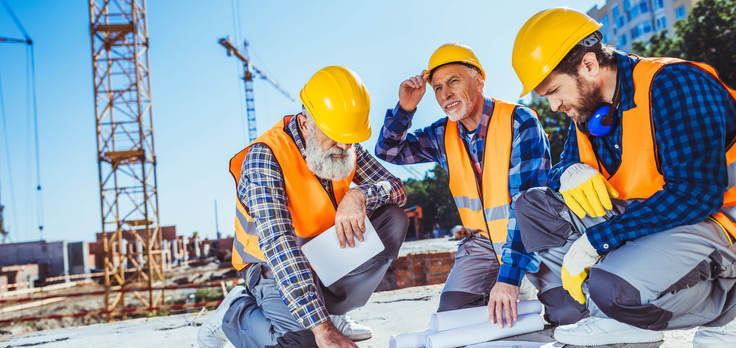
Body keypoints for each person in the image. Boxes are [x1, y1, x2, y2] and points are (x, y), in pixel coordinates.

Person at [511, 8, 736, 347]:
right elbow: (563, 167)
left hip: (719, 223)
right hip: (664, 222)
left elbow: (696, 193)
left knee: (613, 287)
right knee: (534, 206)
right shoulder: (590, 110)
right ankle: (611, 325)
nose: (554, 105)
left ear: (589, 65)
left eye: (554, 90)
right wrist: (569, 172)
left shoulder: (675, 84)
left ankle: (727, 312)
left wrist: (597, 240)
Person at [198, 66, 408, 348]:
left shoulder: (343, 141)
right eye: (335, 137)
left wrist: (361, 197)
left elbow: (395, 187)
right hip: (271, 268)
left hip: (318, 257)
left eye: (350, 140)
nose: (344, 147)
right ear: (306, 123)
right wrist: (321, 329)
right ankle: (235, 312)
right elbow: (279, 246)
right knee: (303, 343)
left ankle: (332, 312)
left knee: (392, 219)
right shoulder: (266, 157)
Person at [375, 43, 550, 327]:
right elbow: (388, 150)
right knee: (453, 319)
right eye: (438, 88)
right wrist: (405, 108)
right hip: (481, 244)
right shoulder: (441, 134)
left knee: (563, 314)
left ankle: (526, 287)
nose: (445, 95)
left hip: (530, 238)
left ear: (479, 80)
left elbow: (527, 207)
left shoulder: (519, 121)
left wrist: (509, 279)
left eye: (454, 81)